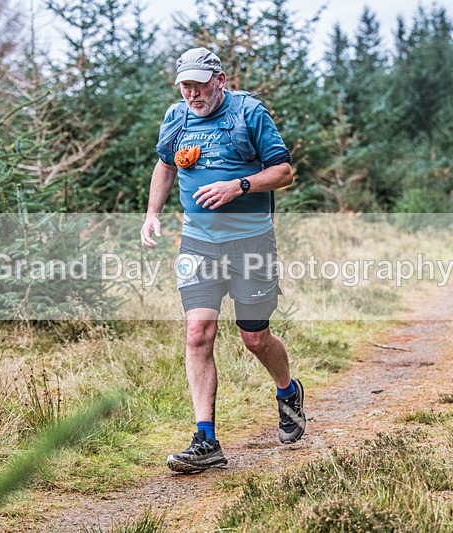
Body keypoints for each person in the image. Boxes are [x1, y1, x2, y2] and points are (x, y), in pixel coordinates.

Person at [140, 46, 306, 474]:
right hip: (198, 244)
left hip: (252, 244)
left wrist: (240, 186)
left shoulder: (248, 113)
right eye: (185, 86)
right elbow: (164, 166)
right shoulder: (177, 118)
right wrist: (153, 214)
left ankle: (287, 392)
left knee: (255, 338)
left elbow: (284, 172)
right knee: (198, 333)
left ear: (220, 80)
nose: (192, 93)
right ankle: (205, 440)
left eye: (199, 84)